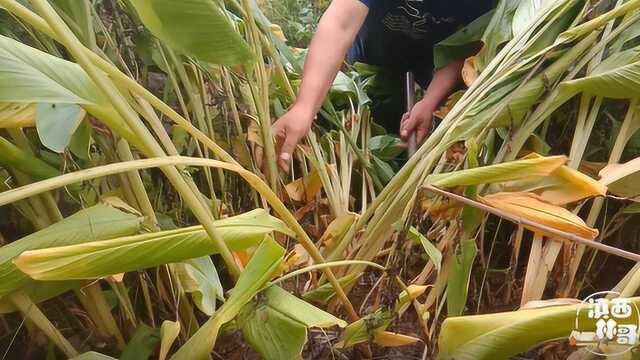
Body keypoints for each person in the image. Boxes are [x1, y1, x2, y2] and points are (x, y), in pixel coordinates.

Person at [271, 0, 494, 171]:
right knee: (364, 120)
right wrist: (305, 107)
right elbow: (341, 22)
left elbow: (465, 46)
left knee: (422, 133)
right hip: (371, 55)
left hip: (431, 61)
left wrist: (429, 102)